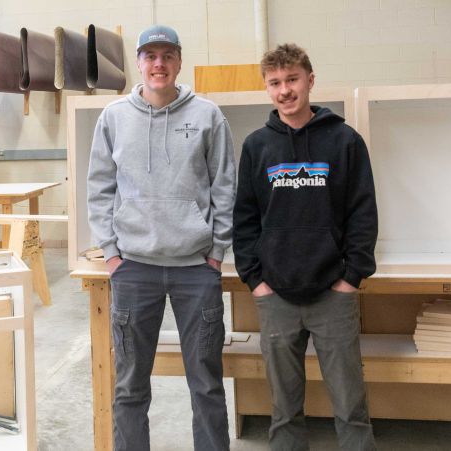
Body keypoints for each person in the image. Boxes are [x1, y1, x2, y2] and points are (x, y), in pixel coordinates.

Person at [86, 24, 235, 451]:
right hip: (134, 270)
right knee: (131, 386)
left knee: (205, 385)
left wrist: (216, 251)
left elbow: (225, 185)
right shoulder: (114, 118)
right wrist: (113, 255)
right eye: (150, 56)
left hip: (195, 270)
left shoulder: (207, 115)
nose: (159, 64)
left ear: (179, 61)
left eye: (167, 55)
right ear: (138, 63)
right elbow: (100, 187)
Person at [233, 43, 378, 451]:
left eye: (292, 79)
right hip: (275, 296)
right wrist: (256, 281)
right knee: (283, 409)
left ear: (310, 81)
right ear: (266, 87)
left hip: (333, 293)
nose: (284, 91)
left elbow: (363, 214)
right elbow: (244, 219)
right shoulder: (257, 146)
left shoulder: (345, 141)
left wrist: (351, 278)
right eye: (275, 83)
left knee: (350, 403)